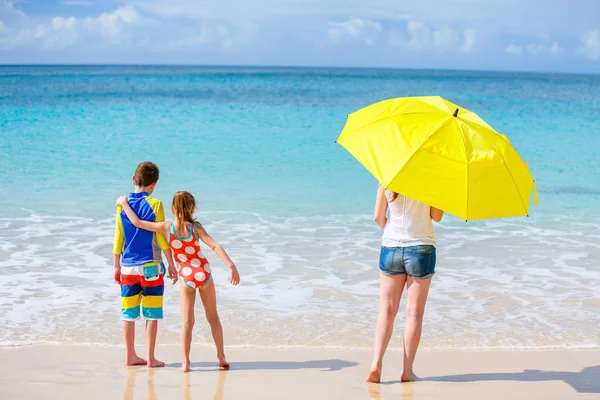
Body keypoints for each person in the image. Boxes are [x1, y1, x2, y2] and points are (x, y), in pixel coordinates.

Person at [116, 191, 240, 373]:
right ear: (193, 208)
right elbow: (214, 246)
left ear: (172, 209)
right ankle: (221, 356)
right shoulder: (196, 228)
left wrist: (124, 203)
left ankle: (185, 362)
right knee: (213, 317)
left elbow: (137, 223)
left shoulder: (167, 227)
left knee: (187, 322)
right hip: (203, 273)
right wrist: (231, 266)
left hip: (186, 276)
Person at [366, 185, 443, 383]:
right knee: (414, 314)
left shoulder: (387, 178)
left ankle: (376, 364)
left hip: (391, 247)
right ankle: (407, 372)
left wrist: (392, 233)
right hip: (421, 248)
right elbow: (437, 216)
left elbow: (378, 216)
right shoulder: (432, 181)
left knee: (386, 311)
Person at [113, 161, 178, 368]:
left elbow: (118, 238)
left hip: (128, 267)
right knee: (152, 313)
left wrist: (116, 266)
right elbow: (160, 237)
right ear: (154, 184)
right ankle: (150, 358)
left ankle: (130, 356)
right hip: (151, 267)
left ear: (133, 180)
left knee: (128, 314)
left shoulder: (122, 204)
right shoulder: (156, 204)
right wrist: (172, 264)